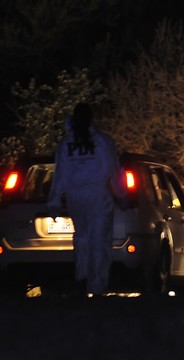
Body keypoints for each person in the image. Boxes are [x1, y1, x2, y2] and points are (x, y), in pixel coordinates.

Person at [47, 103, 127, 296]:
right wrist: (121, 194)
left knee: (82, 237)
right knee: (99, 241)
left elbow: (60, 175)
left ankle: (82, 277)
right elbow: (114, 170)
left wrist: (55, 202)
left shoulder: (66, 144)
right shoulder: (102, 141)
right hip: (98, 196)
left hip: (76, 198)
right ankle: (97, 286)